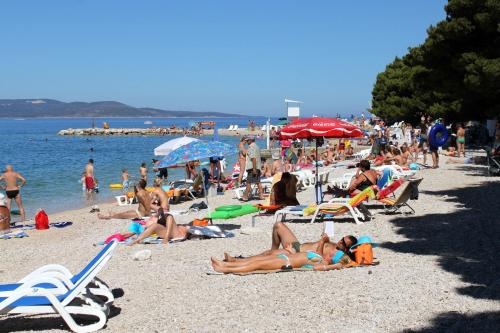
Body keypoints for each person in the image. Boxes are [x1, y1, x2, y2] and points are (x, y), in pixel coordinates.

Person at [213, 234, 353, 274]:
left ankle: (225, 268)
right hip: (285, 256)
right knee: (255, 261)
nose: (337, 247)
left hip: (285, 262)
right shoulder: (321, 257)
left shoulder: (321, 262)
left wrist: (336, 265)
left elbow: (337, 265)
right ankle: (229, 263)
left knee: (256, 264)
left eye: (336, 252)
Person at [242, 136, 263, 201]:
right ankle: (261, 196)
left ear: (251, 140)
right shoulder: (257, 146)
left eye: (248, 140)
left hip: (252, 167)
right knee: (258, 182)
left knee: (248, 182)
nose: (247, 142)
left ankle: (245, 196)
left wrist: (254, 169)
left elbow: (253, 158)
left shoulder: (251, 147)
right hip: (258, 167)